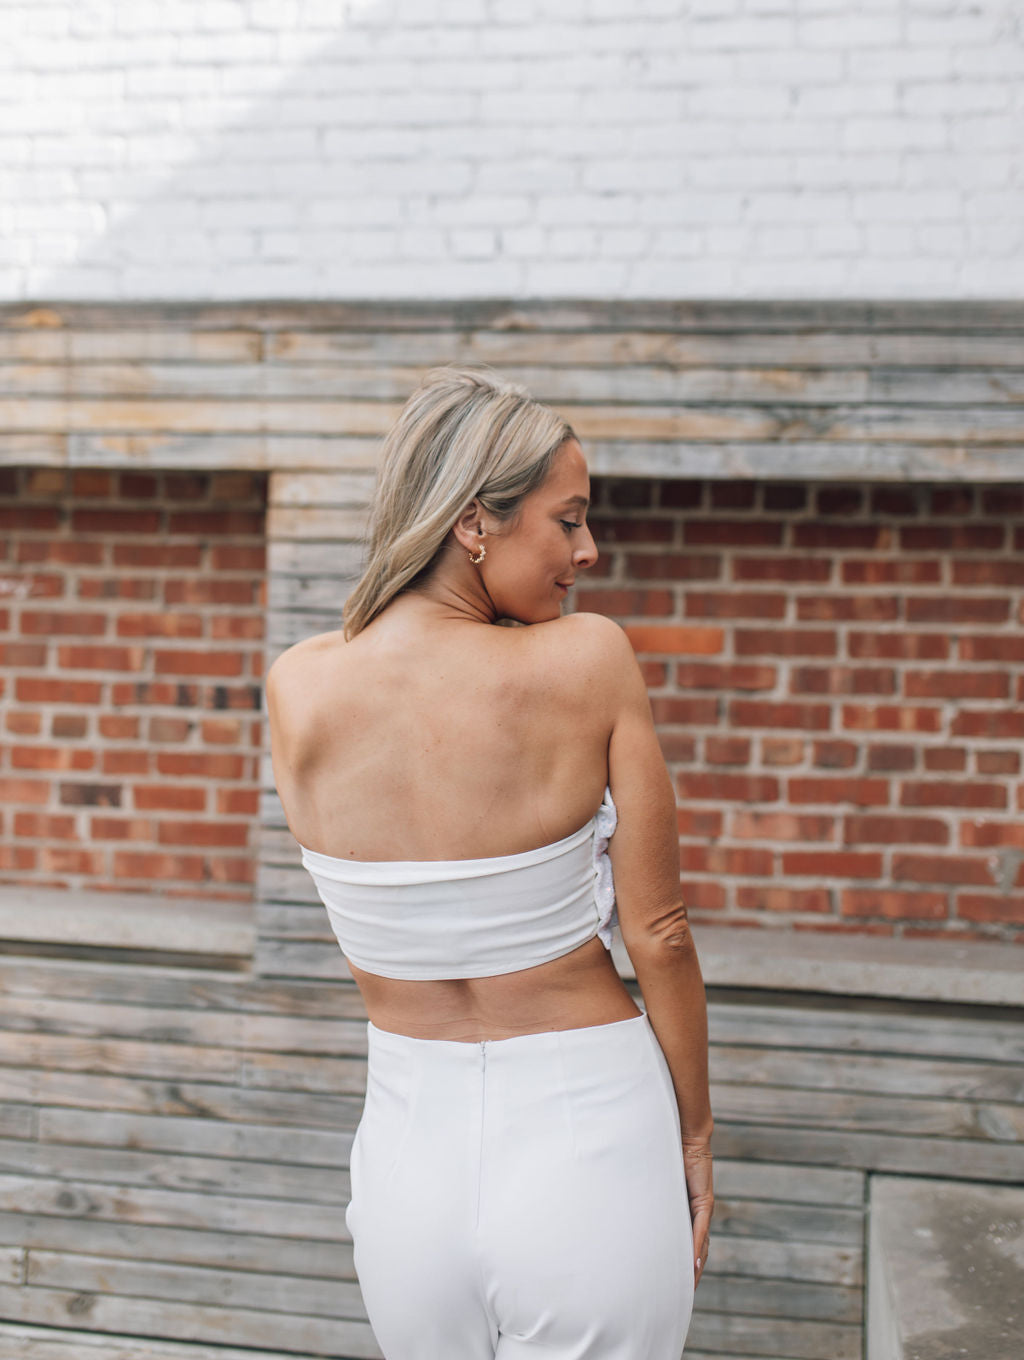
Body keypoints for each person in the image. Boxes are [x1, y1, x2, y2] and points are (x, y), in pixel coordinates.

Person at [266, 365, 714, 1359]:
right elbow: (661, 933)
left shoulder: (298, 685)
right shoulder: (585, 659)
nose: (586, 551)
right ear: (475, 522)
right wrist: (693, 1141)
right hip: (584, 1131)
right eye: (568, 520)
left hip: (406, 1159)